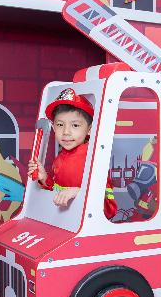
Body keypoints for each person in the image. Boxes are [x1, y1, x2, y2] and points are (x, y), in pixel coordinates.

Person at [28, 87, 117, 219]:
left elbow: (109, 209)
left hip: (87, 228)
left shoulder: (93, 157)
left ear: (89, 129)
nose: (66, 132)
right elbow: (58, 194)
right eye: (60, 125)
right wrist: (45, 178)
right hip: (63, 223)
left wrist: (78, 192)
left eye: (75, 125)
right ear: (53, 127)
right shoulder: (59, 158)